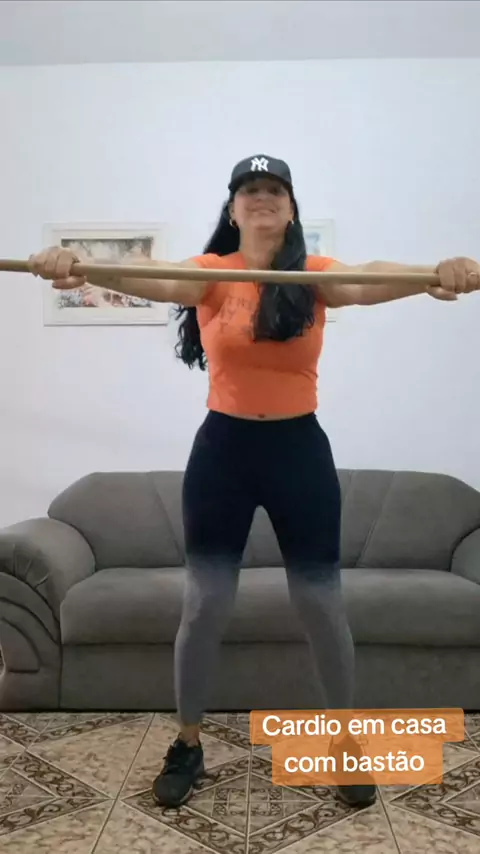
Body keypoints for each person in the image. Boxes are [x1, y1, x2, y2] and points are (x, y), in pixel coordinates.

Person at [28, 154, 480, 811]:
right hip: (224, 454)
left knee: (321, 604)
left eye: (274, 189)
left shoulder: (313, 276)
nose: (262, 197)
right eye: (250, 190)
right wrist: (80, 265)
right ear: (233, 209)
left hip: (299, 453)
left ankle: (343, 740)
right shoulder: (211, 275)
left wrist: (432, 274)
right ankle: (188, 742)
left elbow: (367, 278)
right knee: (205, 604)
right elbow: (151, 275)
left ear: (291, 209)